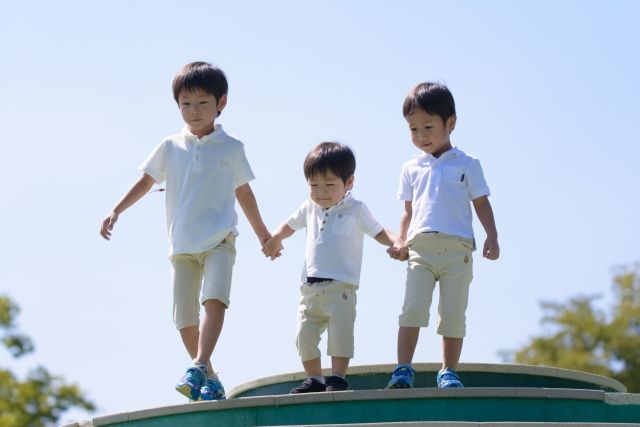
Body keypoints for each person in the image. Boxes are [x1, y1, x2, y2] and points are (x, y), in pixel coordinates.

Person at [99, 61, 271, 401]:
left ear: (221, 103)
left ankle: (198, 364)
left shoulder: (231, 147)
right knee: (183, 318)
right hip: (181, 245)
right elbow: (147, 180)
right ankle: (210, 376)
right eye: (186, 104)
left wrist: (264, 235)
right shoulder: (169, 145)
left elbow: (245, 192)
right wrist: (116, 209)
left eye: (202, 103)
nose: (193, 111)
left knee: (215, 300)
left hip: (220, 239)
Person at [386, 82, 500, 389]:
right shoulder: (410, 168)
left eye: (428, 127)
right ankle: (403, 369)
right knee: (411, 310)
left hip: (458, 250)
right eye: (413, 129)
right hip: (420, 249)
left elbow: (481, 202)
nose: (421, 136)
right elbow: (408, 211)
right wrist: (400, 240)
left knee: (452, 314)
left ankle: (448, 370)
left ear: (450, 124)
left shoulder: (467, 163)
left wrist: (492, 236)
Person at [263, 142, 397, 393]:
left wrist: (398, 241)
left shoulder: (356, 209)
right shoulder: (309, 207)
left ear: (349, 183)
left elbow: (379, 232)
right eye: (314, 185)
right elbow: (289, 225)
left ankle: (337, 377)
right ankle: (315, 378)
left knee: (340, 335)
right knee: (304, 335)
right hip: (310, 287)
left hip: (341, 287)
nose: (320, 192)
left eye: (329, 185)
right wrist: (275, 238)